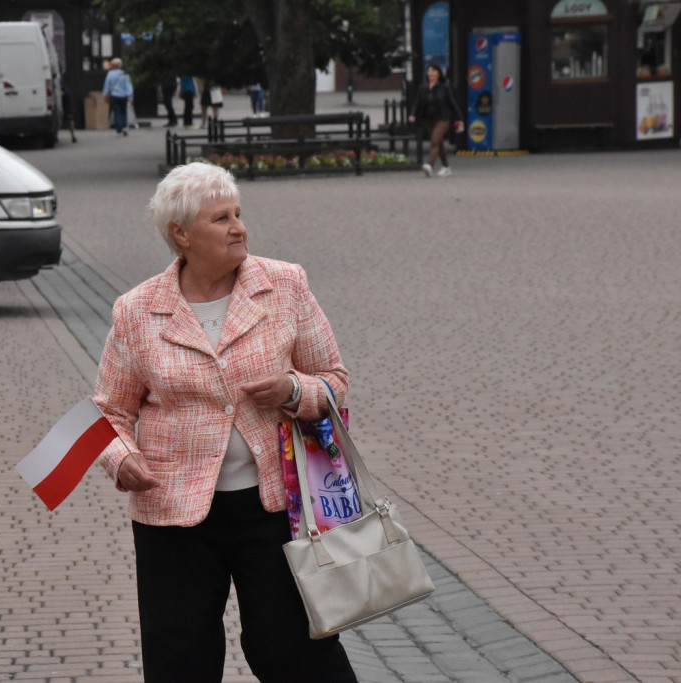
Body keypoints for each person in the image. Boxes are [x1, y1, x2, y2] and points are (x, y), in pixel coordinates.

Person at [93, 162, 357, 682]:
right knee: (179, 658)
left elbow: (334, 378)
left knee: (295, 652)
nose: (239, 227)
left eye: (238, 213)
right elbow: (109, 411)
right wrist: (120, 459)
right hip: (173, 511)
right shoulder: (137, 309)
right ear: (181, 234)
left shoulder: (285, 284)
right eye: (221, 219)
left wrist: (295, 390)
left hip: (276, 506)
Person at [408, 62, 464, 177]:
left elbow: (452, 104)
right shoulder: (423, 88)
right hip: (428, 120)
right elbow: (417, 103)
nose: (430, 73)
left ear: (438, 73)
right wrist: (412, 114)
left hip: (443, 119)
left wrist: (460, 118)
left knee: (434, 140)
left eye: (433, 71)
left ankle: (429, 166)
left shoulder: (444, 88)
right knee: (438, 144)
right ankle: (446, 167)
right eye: (429, 71)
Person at [102, 57, 134, 136]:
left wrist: (105, 94)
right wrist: (130, 96)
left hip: (114, 95)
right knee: (124, 111)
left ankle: (119, 130)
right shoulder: (125, 74)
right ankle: (125, 127)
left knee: (117, 112)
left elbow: (107, 85)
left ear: (112, 65)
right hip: (123, 96)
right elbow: (128, 86)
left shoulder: (110, 74)